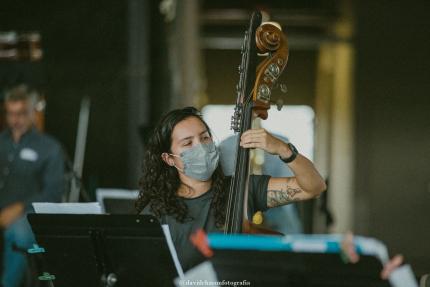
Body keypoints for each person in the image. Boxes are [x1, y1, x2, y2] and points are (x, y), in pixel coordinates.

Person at [136, 107, 326, 271]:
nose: (201, 147)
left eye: (205, 137)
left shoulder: (242, 189)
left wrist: (283, 149)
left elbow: (313, 187)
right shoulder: (155, 212)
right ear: (169, 159)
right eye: (188, 143)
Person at [0, 85, 65, 287]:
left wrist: (19, 208)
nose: (15, 120)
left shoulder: (50, 148)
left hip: (27, 215)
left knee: (20, 233)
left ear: (33, 113)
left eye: (21, 113)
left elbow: (53, 193)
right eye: (11, 113)